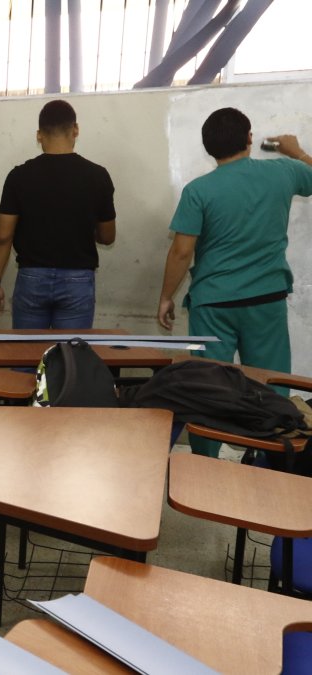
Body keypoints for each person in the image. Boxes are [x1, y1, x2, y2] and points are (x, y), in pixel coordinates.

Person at [157, 108, 312, 458]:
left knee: (207, 386)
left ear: (209, 147)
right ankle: (271, 459)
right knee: (271, 384)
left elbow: (182, 252)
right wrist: (296, 151)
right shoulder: (284, 171)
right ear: (249, 138)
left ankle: (203, 462)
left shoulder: (198, 190)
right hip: (266, 300)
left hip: (213, 304)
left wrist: (166, 296)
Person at [0, 99, 116, 329]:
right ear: (75, 129)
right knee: (70, 360)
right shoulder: (98, 176)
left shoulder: (19, 176)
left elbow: (3, 236)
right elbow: (107, 237)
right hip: (78, 279)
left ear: (39, 134)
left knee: (26, 359)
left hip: (32, 278)